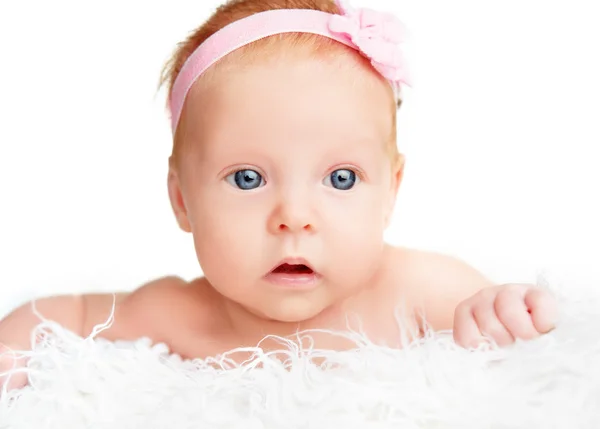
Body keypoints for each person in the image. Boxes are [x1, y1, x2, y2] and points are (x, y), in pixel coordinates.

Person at [0, 0, 557, 392]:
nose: (294, 218)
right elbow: (66, 315)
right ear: (182, 201)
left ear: (391, 192)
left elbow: (533, 343)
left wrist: (502, 312)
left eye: (340, 179)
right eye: (248, 178)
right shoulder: (179, 313)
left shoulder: (423, 293)